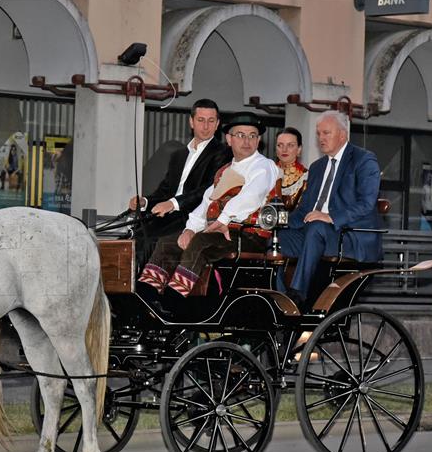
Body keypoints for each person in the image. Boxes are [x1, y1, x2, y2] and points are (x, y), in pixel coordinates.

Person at [138, 112, 279, 296]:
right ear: (229, 139)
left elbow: (250, 197)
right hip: (219, 232)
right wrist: (189, 229)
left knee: (200, 242)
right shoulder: (224, 170)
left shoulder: (264, 165)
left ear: (258, 140)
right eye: (241, 135)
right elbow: (206, 202)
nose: (247, 141)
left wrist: (222, 221)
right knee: (169, 242)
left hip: (248, 235)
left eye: (252, 135)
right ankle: (147, 294)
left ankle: (176, 299)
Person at [278, 110, 383, 307]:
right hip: (315, 235)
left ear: (343, 135)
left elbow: (367, 203)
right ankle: (279, 296)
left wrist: (330, 217)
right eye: (318, 134)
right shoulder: (317, 167)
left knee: (317, 226)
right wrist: (278, 223)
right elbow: (303, 211)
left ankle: (298, 294)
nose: (321, 138)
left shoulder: (364, 159)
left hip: (349, 236)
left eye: (326, 133)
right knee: (275, 238)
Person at [128, 99, 231, 265]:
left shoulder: (223, 153)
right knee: (128, 238)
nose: (205, 126)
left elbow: (209, 189)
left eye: (211, 121)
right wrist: (145, 201)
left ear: (218, 123)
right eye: (200, 120)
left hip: (192, 216)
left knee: (147, 240)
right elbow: (165, 190)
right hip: (168, 216)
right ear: (191, 122)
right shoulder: (178, 155)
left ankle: (140, 288)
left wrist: (173, 203)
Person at [275, 127, 308, 211]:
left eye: (290, 145)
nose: (284, 149)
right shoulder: (266, 172)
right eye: (280, 145)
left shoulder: (306, 177)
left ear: (299, 149)